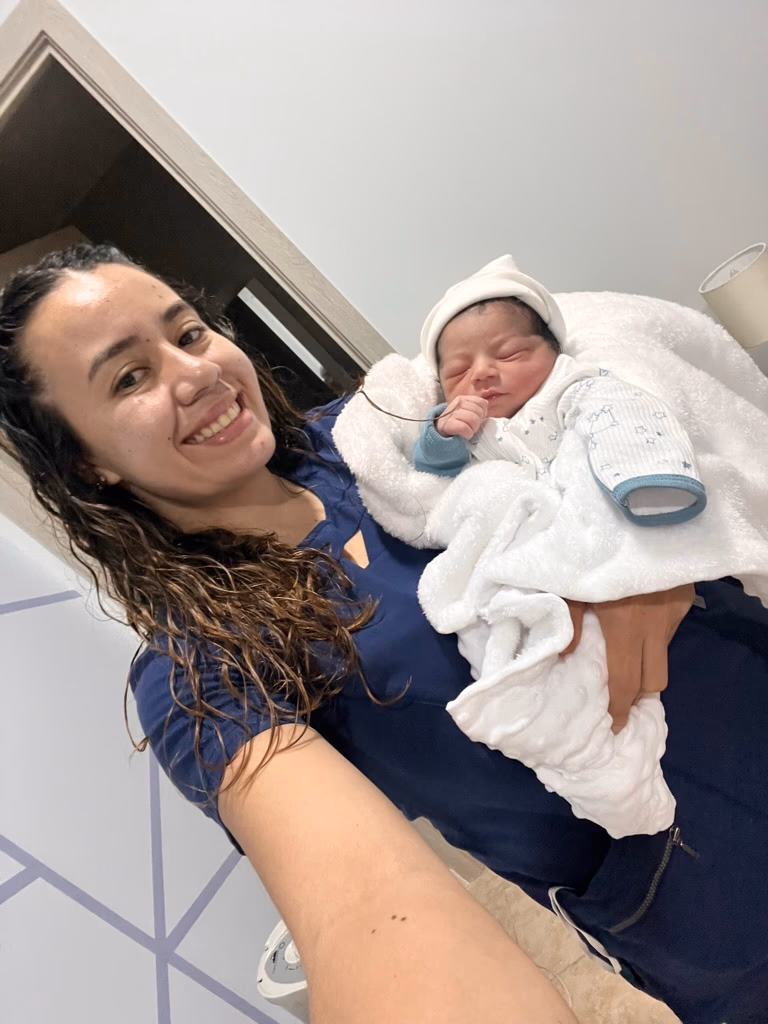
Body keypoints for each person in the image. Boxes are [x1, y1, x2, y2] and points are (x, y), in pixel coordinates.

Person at [0, 244, 766, 1024]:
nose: (194, 373)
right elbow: (365, 912)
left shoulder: (382, 428)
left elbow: (590, 359)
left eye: (188, 333)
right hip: (708, 898)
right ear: (85, 463)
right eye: (130, 377)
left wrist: (648, 554)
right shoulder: (201, 668)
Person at [413, 255, 707, 528]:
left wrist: (645, 475)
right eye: (458, 371)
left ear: (554, 351)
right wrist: (442, 435)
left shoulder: (568, 389)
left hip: (600, 519)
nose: (480, 373)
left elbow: (620, 411)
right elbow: (433, 479)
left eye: (508, 354)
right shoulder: (468, 429)